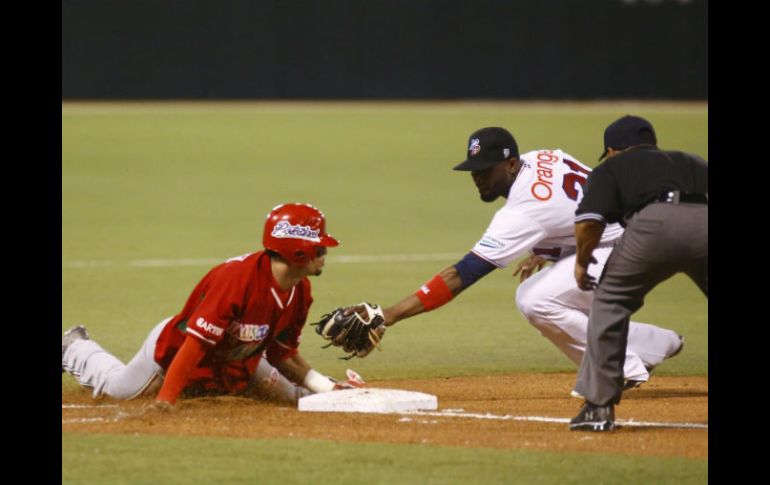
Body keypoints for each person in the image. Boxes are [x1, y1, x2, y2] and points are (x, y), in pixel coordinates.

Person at [347, 127, 683, 386]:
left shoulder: (524, 208)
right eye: (473, 171)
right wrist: (546, 247)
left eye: (485, 170)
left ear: (510, 164)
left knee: (537, 301)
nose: (478, 178)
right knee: (551, 297)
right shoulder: (540, 157)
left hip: (626, 249)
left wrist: (388, 314)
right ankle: (656, 343)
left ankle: (616, 369)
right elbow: (578, 200)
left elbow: (463, 274)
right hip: (628, 236)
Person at [62, 203, 362, 408]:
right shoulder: (237, 279)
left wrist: (326, 388)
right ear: (297, 250)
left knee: (293, 399)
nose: (325, 253)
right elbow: (194, 346)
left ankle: (337, 392)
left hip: (237, 358)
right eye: (320, 247)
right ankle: (75, 347)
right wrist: (165, 402)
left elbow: (284, 354)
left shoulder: (300, 289)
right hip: (175, 352)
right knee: (116, 391)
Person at [569, 115, 708, 432]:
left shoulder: (612, 167)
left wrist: (582, 262)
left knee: (608, 303)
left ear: (612, 150)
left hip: (654, 225)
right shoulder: (690, 160)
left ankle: (598, 408)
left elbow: (589, 221)